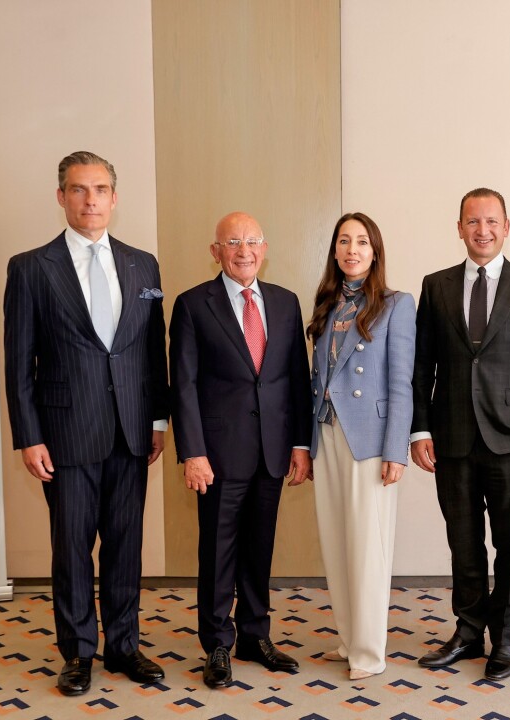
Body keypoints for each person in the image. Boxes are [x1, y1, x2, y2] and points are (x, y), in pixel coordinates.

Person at [3, 151, 169, 696]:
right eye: (78, 189)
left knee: (125, 545)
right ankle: (77, 652)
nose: (89, 199)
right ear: (61, 197)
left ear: (114, 198)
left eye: (99, 189)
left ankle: (123, 645)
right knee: (72, 548)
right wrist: (29, 435)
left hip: (131, 430)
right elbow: (18, 362)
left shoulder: (143, 265)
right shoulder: (31, 268)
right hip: (65, 434)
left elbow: (152, 350)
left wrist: (159, 419)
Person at [410, 188, 510, 681]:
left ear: (506, 227)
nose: (483, 230)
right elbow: (421, 366)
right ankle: (469, 630)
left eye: (492, 221)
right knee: (464, 541)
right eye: (473, 221)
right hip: (452, 437)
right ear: (459, 228)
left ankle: (507, 639)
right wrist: (420, 428)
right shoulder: (435, 286)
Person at [169, 211, 313, 689]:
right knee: (217, 552)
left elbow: (297, 380)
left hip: (272, 451)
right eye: (232, 242)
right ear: (216, 252)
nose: (243, 251)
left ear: (264, 249)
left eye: (252, 241)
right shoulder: (193, 305)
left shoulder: (286, 303)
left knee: (259, 548)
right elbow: (183, 385)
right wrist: (193, 452)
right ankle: (216, 643)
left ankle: (255, 635)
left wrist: (299, 444)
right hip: (217, 455)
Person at [306, 213, 415, 681]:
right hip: (327, 432)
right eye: (344, 241)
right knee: (337, 543)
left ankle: (369, 654)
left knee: (368, 549)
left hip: (369, 438)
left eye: (362, 242)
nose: (353, 250)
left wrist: (396, 450)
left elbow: (402, 382)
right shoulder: (327, 303)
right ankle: (349, 639)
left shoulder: (396, 304)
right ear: (334, 250)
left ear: (375, 251)